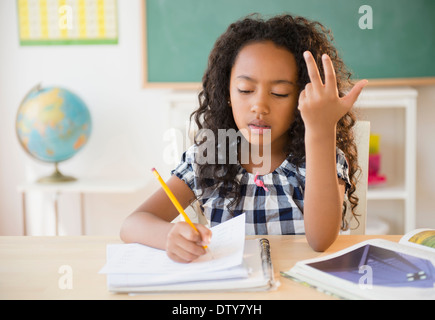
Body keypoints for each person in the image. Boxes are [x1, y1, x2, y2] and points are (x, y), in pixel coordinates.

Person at [120, 14, 368, 263]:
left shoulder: (319, 156)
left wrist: (322, 130)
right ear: (226, 91)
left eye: (279, 93)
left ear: (301, 98)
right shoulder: (211, 157)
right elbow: (132, 224)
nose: (259, 106)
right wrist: (169, 236)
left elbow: (321, 240)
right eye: (245, 90)